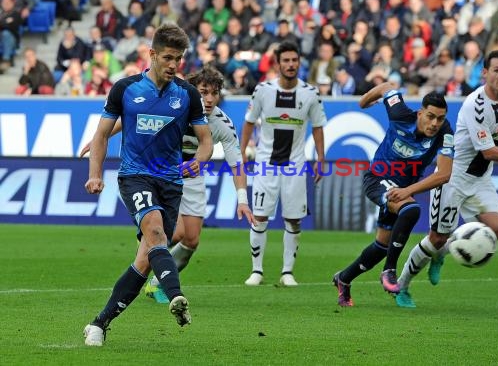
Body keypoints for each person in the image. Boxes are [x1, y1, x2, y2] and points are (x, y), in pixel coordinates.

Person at [82, 23, 213, 346]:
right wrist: (95, 174)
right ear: (151, 54)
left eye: (179, 59)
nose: (173, 65)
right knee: (155, 232)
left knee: (145, 259)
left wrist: (200, 160)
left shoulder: (187, 95)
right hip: (135, 176)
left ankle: (99, 323)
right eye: (168, 57)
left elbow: (206, 141)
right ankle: (176, 296)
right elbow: (101, 135)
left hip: (170, 183)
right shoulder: (125, 89)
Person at [395, 50, 498, 309]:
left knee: (497, 229)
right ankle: (402, 286)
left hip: (480, 180)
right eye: (497, 70)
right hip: (452, 179)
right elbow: (488, 151)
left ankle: (442, 253)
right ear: (485, 73)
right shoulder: (475, 105)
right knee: (436, 238)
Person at [332, 83, 454, 307]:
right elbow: (387, 87)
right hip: (377, 179)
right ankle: (389, 271)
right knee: (411, 210)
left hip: (401, 189)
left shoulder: (445, 132)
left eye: (440, 118)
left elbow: (444, 174)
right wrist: (363, 102)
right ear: (420, 113)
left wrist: (407, 190)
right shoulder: (399, 114)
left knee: (381, 246)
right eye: (430, 116)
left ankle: (343, 279)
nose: (435, 123)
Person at [143, 66, 256, 303]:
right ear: (192, 91)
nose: (209, 99)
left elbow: (237, 163)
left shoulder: (221, 123)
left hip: (193, 178)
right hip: (163, 174)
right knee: (177, 231)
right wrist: (101, 136)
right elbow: (139, 119)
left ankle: (155, 284)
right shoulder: (173, 107)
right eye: (204, 92)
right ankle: (143, 266)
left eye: (215, 93)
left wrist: (243, 200)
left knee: (191, 239)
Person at [240, 41, 326, 287]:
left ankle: (287, 272)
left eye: (294, 60)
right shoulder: (263, 91)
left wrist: (320, 158)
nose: (290, 65)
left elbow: (318, 127)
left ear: (299, 62)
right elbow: (248, 122)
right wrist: (243, 153)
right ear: (278, 64)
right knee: (259, 216)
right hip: (266, 163)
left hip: (295, 166)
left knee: (294, 220)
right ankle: (256, 271)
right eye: (286, 60)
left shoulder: (310, 93)